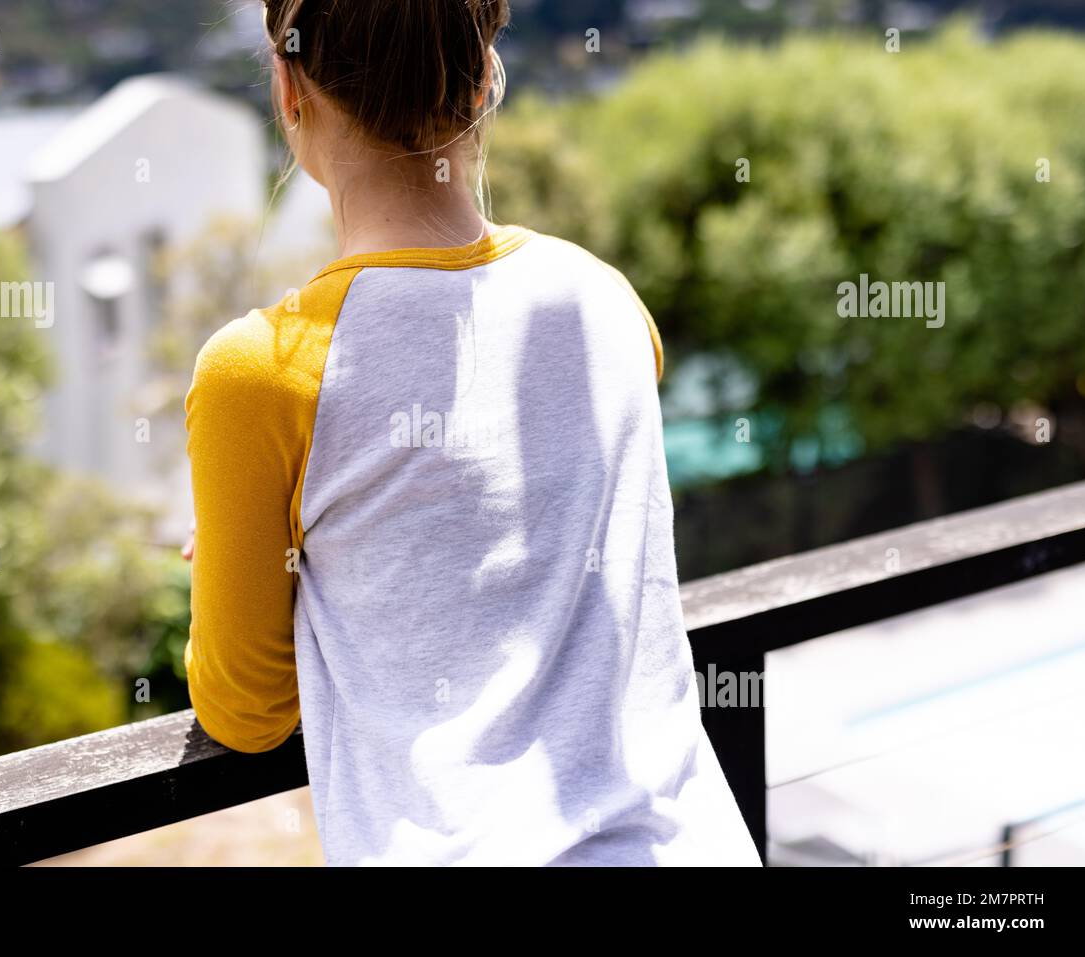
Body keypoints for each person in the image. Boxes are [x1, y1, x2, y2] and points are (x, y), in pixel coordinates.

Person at [182, 0, 761, 866]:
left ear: (288, 89)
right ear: (488, 79)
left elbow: (247, 710)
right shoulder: (603, 299)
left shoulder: (261, 371)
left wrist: (264, 562)